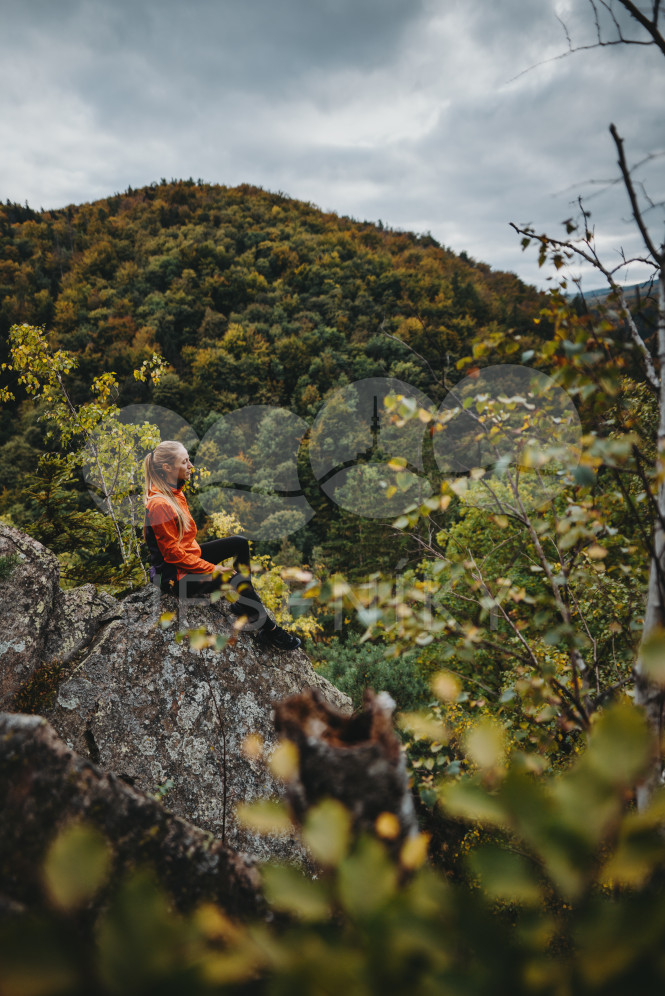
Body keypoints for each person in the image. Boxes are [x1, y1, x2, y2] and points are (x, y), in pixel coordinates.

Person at [142, 439, 300, 651]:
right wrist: (213, 568)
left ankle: (246, 604)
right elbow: (172, 555)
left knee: (239, 543)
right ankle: (271, 632)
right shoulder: (160, 504)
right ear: (167, 468)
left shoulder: (174, 493)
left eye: (189, 460)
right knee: (232, 578)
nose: (191, 466)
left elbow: (183, 544)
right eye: (185, 462)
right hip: (175, 577)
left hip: (188, 560)